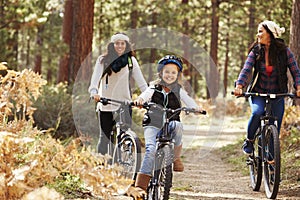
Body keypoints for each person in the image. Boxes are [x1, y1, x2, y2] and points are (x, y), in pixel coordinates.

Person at [133, 55, 203, 192]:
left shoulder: (179, 90)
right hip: (153, 123)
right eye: (167, 72)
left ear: (177, 75)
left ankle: (176, 157)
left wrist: (196, 108)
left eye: (173, 72)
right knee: (150, 149)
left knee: (178, 126)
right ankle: (141, 185)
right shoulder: (154, 87)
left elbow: (188, 100)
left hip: (171, 122)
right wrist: (140, 100)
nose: (170, 75)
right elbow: (145, 95)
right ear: (161, 73)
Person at [234, 20, 300, 155]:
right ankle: (250, 140)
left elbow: (295, 71)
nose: (258, 35)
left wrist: (298, 87)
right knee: (257, 113)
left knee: (274, 124)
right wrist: (239, 86)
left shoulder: (284, 52)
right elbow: (246, 70)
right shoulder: (256, 51)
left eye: (260, 32)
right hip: (258, 93)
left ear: (270, 34)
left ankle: (271, 161)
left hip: (278, 94)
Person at [88, 32, 148, 155]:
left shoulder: (131, 61)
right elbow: (94, 82)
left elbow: (142, 84)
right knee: (104, 138)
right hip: (106, 103)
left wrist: (145, 97)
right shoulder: (103, 60)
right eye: (117, 43)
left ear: (126, 45)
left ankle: (126, 160)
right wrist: (94, 93)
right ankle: (101, 167)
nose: (119, 46)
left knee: (125, 135)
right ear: (112, 45)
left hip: (124, 103)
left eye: (122, 43)